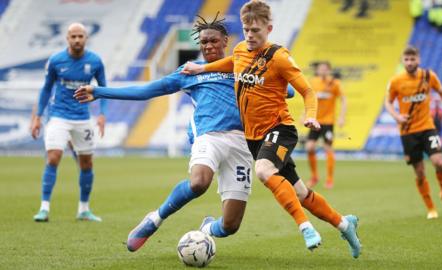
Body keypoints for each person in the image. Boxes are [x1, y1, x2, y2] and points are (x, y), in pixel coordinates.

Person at [182, 0, 361, 258]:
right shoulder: (242, 49)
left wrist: (310, 116)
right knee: (300, 192)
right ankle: (345, 224)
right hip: (254, 137)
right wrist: (202, 68)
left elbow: (308, 91)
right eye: (246, 30)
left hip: (280, 128)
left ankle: (306, 228)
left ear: (269, 28)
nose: (251, 36)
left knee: (264, 171)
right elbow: (232, 62)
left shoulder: (280, 57)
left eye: (256, 31)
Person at [75, 15, 256, 252]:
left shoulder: (242, 67)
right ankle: (155, 219)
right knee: (199, 182)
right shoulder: (191, 72)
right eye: (203, 42)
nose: (208, 46)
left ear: (225, 41)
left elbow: (287, 90)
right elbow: (148, 90)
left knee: (230, 225)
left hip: (242, 143)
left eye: (213, 41)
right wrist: (99, 91)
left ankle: (207, 229)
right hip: (209, 136)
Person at [31, 22, 107, 222]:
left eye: (80, 36)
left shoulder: (95, 61)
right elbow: (46, 89)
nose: (76, 40)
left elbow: (103, 89)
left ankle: (83, 209)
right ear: (67, 38)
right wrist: (38, 116)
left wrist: (102, 114)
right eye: (73, 36)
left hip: (83, 118)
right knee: (53, 157)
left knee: (86, 163)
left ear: (86, 38)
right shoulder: (56, 60)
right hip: (58, 116)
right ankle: (44, 208)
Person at [385, 46, 442, 219]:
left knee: (439, 162)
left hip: (427, 127)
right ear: (402, 61)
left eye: (413, 59)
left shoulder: (428, 76)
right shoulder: (396, 81)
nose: (410, 62)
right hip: (408, 132)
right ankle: (431, 208)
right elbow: (388, 103)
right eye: (406, 59)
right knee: (419, 172)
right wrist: (397, 116)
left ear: (418, 59)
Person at [305, 61, 347, 189]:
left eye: (325, 69)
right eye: (320, 69)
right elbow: (309, 99)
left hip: (328, 122)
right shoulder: (313, 81)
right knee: (309, 147)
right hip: (315, 121)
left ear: (329, 70)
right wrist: (304, 115)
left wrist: (341, 117)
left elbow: (344, 99)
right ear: (317, 70)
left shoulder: (335, 83)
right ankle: (314, 177)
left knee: (328, 148)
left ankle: (329, 179)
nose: (322, 71)